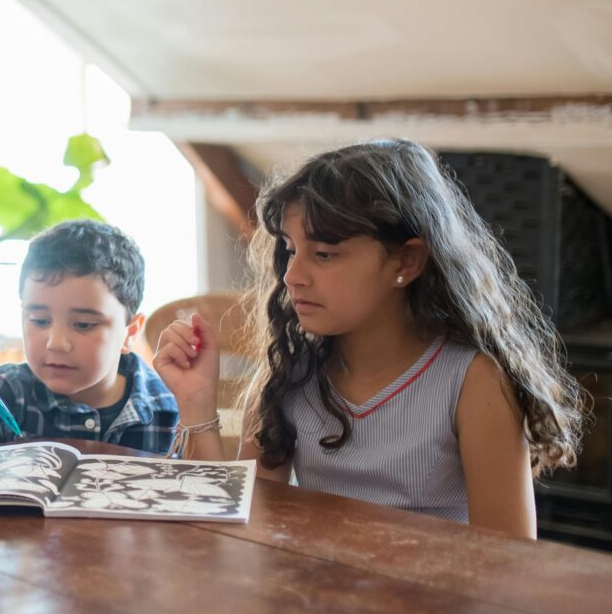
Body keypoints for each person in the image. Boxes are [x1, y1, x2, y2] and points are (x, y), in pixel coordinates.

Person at [154, 138, 586, 538]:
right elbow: (236, 521)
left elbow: (509, 562)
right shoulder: (291, 368)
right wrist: (195, 404)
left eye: (324, 254)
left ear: (407, 260)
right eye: (290, 248)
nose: (292, 275)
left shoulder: (474, 382)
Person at [0, 219, 178, 453]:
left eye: (83, 324)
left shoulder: (165, 408)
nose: (56, 343)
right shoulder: (4, 391)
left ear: (130, 332)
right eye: (39, 321)